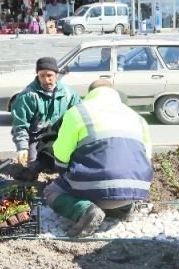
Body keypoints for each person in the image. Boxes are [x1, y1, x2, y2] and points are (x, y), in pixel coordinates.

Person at [45, 79, 153, 237]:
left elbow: (61, 154)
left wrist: (64, 173)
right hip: (137, 189)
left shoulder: (78, 112)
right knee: (121, 177)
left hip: (97, 188)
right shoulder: (137, 117)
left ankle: (85, 211)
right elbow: (146, 157)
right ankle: (124, 209)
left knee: (52, 191)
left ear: (90, 94)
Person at [10, 57, 81, 177]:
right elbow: (20, 125)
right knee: (33, 168)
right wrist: (22, 148)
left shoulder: (68, 94)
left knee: (66, 165)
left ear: (56, 75)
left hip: (59, 137)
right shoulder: (28, 96)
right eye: (41, 75)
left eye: (49, 75)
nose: (46, 80)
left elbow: (81, 117)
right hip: (36, 138)